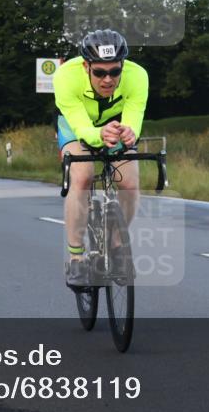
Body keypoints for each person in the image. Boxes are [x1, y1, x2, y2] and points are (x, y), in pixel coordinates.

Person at [53, 29, 148, 287]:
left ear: (123, 65)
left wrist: (129, 132)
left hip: (115, 123)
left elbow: (134, 116)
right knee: (82, 178)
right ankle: (76, 257)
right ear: (86, 66)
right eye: (99, 73)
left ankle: (116, 245)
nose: (108, 79)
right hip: (75, 125)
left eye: (115, 72)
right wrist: (98, 135)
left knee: (129, 183)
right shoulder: (65, 76)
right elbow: (81, 126)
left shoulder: (138, 76)